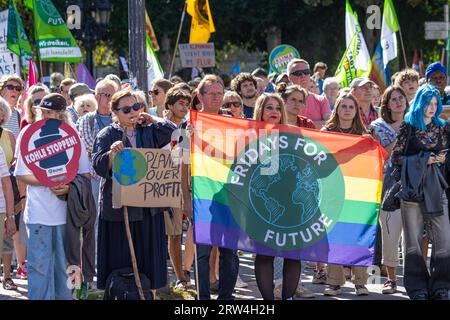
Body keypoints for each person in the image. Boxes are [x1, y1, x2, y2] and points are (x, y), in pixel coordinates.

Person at [92, 89, 175, 294]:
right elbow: (98, 165)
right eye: (127, 109)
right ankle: (123, 294)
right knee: (122, 262)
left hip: (148, 208)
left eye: (137, 106)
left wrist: (153, 118)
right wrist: (112, 153)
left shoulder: (149, 130)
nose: (133, 112)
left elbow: (175, 134)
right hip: (121, 211)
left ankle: (149, 296)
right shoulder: (107, 134)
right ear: (115, 112)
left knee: (150, 263)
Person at [15, 93, 90, 300]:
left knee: (65, 269)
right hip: (38, 214)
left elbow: (83, 173)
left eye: (52, 113)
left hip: (67, 216)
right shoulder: (28, 134)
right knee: (38, 269)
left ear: (62, 115)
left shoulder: (72, 136)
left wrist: (68, 188)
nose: (47, 116)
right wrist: (47, 181)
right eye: (44, 112)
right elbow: (20, 173)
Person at [391, 84, 450, 300]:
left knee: (444, 239)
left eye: (436, 103)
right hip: (412, 192)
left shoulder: (443, 127)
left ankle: (441, 287)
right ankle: (417, 289)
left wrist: (443, 159)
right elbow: (395, 159)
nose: (433, 108)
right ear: (420, 103)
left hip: (437, 189)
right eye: (429, 103)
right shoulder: (408, 126)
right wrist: (425, 160)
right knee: (413, 243)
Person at [192, 75, 239, 300]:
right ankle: (202, 299)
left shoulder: (233, 121)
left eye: (220, 93)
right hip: (201, 196)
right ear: (200, 96)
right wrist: (184, 197)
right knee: (203, 252)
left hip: (229, 195)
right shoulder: (190, 123)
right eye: (211, 93)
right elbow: (180, 161)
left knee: (229, 251)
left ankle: (226, 298)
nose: (216, 98)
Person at [252, 93, 300, 300]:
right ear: (260, 111)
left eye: (278, 108)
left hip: (290, 203)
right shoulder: (248, 135)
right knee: (265, 254)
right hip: (261, 203)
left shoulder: (294, 135)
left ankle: (287, 298)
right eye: (269, 107)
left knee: (293, 254)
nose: (274, 112)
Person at [321, 92, 370, 296]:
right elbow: (319, 160)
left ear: (356, 111)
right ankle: (334, 281)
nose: (347, 110)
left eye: (351, 106)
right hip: (333, 191)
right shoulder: (326, 132)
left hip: (357, 192)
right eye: (344, 106)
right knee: (334, 236)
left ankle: (360, 282)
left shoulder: (364, 135)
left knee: (357, 236)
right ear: (337, 109)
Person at [368, 86, 409, 295]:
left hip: (413, 185)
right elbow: (380, 155)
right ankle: (391, 280)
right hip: (387, 186)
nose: (398, 102)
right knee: (390, 233)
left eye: (401, 98)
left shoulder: (416, 123)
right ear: (386, 104)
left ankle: (415, 278)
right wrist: (400, 135)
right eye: (393, 99)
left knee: (414, 235)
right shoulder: (377, 127)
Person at [287, 59, 331, 127]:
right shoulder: (281, 100)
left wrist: (300, 126)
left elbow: (329, 124)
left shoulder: (321, 100)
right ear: (289, 77)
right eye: (298, 73)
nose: (303, 75)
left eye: (306, 72)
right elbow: (274, 126)